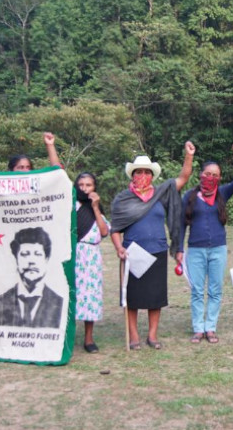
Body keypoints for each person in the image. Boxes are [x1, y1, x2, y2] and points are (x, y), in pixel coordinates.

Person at [110, 142, 196, 350]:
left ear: (152, 175)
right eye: (138, 172)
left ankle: (152, 336)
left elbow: (183, 178)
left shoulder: (161, 193)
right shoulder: (123, 199)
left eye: (146, 172)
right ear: (132, 175)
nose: (142, 176)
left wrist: (189, 155)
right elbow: (115, 229)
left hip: (157, 251)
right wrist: (119, 248)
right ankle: (134, 337)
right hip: (132, 254)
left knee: (155, 298)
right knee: (132, 298)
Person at [177, 144, 233, 344]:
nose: (211, 177)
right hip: (196, 250)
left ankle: (211, 328)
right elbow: (181, 224)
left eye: (215, 175)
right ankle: (198, 328)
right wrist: (180, 249)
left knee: (215, 290)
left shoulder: (222, 193)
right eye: (208, 173)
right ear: (200, 174)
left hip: (218, 249)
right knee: (197, 290)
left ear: (219, 177)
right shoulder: (189, 196)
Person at [0, 227, 63, 328]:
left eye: (38, 254)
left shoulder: (60, 302)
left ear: (46, 259)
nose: (31, 261)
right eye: (25, 254)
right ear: (16, 259)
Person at [74, 172, 110, 353]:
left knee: (90, 295)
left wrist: (95, 207)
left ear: (94, 187)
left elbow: (104, 232)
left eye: (89, 185)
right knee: (70, 294)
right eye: (81, 185)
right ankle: (66, 335)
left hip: (91, 255)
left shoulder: (97, 208)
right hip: (73, 254)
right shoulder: (71, 204)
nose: (85, 188)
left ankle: (88, 338)